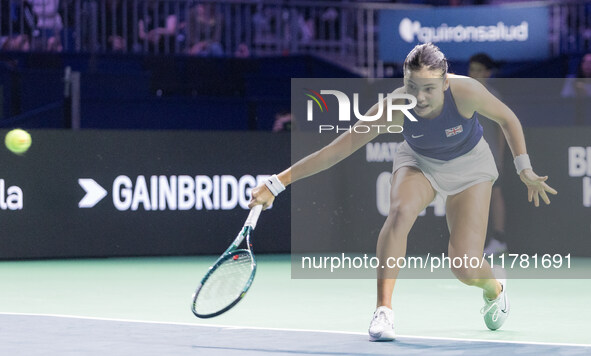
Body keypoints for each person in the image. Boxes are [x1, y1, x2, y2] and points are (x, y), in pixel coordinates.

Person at [249, 43, 557, 341]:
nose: (419, 98)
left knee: (465, 267)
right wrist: (276, 183)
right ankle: (383, 310)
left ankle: (495, 288)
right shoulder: (394, 108)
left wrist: (524, 168)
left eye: (428, 89)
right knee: (399, 212)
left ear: (445, 82)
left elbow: (508, 118)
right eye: (412, 87)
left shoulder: (466, 91)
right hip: (420, 161)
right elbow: (334, 151)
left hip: (470, 167)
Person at [468, 53, 508, 255]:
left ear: (487, 73)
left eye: (478, 70)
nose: (473, 73)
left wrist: (499, 156)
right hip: (467, 158)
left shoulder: (493, 96)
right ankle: (471, 242)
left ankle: (499, 239)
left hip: (489, 156)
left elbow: (502, 127)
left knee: (494, 193)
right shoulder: (462, 94)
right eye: (471, 69)